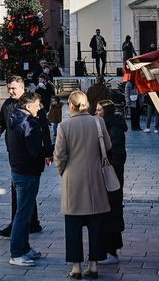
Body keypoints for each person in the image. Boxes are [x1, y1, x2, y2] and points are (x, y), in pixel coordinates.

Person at [54, 92, 113, 279]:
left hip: (73, 179)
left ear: (71, 105)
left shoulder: (64, 126)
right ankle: (94, 265)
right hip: (95, 177)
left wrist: (63, 171)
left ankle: (76, 267)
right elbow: (108, 146)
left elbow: (59, 155)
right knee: (96, 224)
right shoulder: (98, 122)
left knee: (73, 225)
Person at [0, 76, 44, 237]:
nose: (10, 91)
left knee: (23, 189)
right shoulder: (8, 104)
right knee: (24, 189)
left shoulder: (33, 102)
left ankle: (20, 224)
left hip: (28, 154)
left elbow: (44, 126)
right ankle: (31, 222)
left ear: (22, 87)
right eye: (9, 88)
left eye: (13, 88)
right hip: (15, 152)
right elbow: (2, 120)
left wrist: (47, 153)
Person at [6, 92, 49, 267]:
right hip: (27, 171)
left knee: (25, 213)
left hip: (18, 169)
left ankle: (24, 248)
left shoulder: (14, 117)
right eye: (37, 105)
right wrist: (52, 149)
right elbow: (35, 151)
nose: (39, 108)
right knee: (23, 214)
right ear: (28, 105)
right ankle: (16, 253)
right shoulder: (28, 122)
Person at [97, 100, 126, 265]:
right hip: (108, 175)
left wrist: (110, 170)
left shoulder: (113, 127)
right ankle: (107, 248)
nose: (96, 113)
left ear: (106, 112)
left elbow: (118, 154)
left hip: (111, 176)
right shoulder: (105, 126)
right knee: (108, 212)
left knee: (112, 211)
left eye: (99, 110)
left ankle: (111, 251)